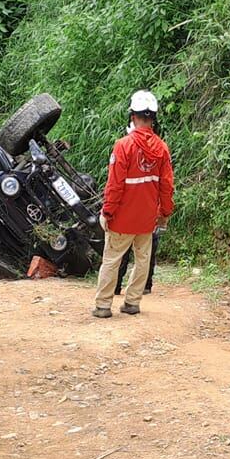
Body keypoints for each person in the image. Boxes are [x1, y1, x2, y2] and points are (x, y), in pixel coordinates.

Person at [93, 90, 174, 318]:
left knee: (111, 260)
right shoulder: (162, 149)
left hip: (121, 218)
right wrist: (165, 212)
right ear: (153, 118)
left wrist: (107, 211)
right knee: (143, 260)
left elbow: (115, 185)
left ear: (132, 116)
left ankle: (103, 306)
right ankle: (132, 303)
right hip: (147, 219)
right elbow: (166, 186)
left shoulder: (123, 146)